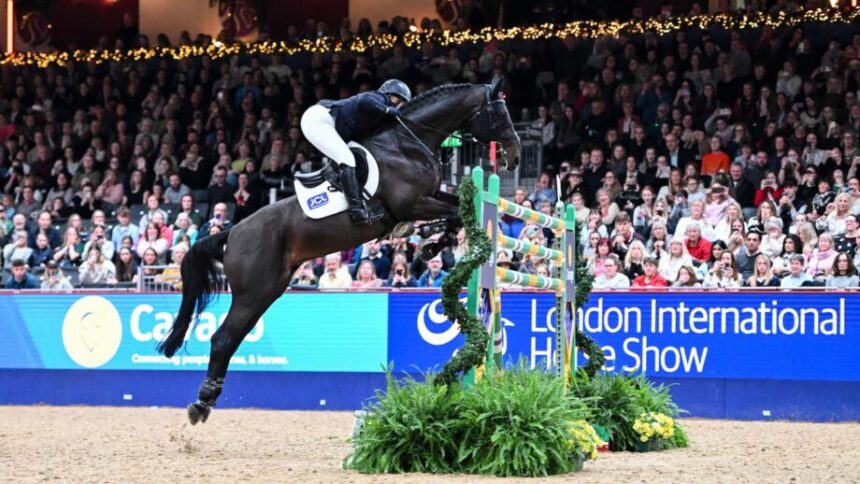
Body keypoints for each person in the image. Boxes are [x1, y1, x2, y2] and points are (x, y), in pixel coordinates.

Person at [300, 79, 410, 224]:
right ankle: (356, 211)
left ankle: (345, 187)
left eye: (402, 102)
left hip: (329, 124)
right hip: (320, 119)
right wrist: (390, 110)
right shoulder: (378, 97)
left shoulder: (377, 116)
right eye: (397, 98)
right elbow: (364, 102)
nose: (398, 104)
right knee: (347, 159)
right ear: (387, 94)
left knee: (354, 156)